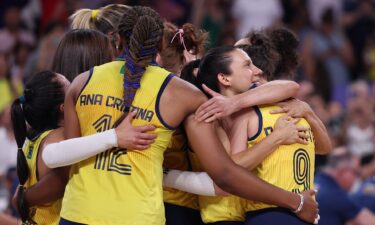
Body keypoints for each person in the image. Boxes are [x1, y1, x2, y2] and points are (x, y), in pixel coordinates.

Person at [52, 6, 317, 225]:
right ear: (161, 44)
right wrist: (296, 201)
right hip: (139, 217)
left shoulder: (81, 83)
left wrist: (111, 138)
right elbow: (224, 175)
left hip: (76, 215)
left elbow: (63, 164)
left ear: (117, 40)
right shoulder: (182, 94)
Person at [10, 71, 70, 224]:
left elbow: (18, 200)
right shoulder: (59, 137)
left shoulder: (30, 138)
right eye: (69, 86)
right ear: (63, 107)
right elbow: (59, 184)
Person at [315, 147, 375, 225]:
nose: (356, 179)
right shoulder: (336, 195)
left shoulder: (315, 180)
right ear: (345, 172)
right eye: (356, 173)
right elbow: (370, 221)